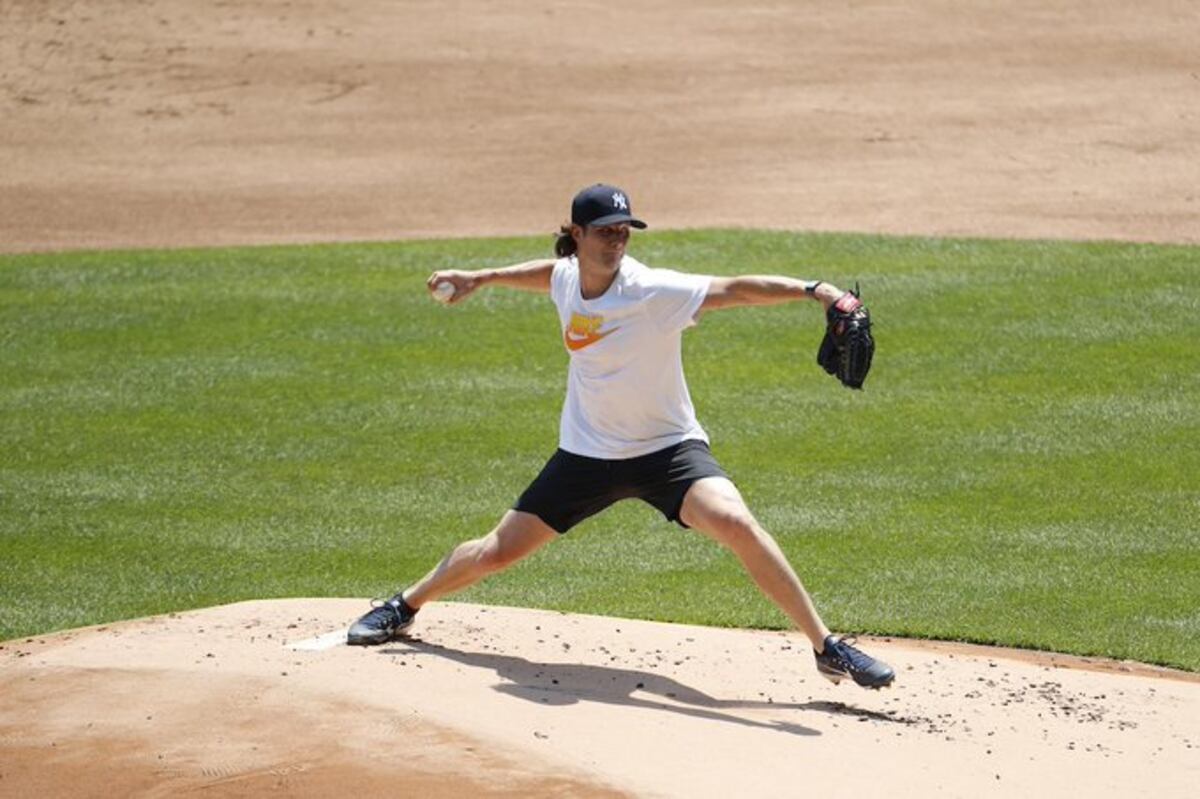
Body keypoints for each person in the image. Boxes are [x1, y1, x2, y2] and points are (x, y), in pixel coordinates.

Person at [347, 183, 895, 689]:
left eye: (624, 231)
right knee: (497, 551)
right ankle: (404, 605)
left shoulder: (649, 290)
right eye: (605, 230)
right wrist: (482, 277)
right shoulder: (568, 276)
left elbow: (733, 289)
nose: (617, 240)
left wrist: (815, 291)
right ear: (577, 234)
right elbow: (550, 274)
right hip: (586, 455)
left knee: (736, 522)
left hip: (667, 452)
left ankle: (826, 646)